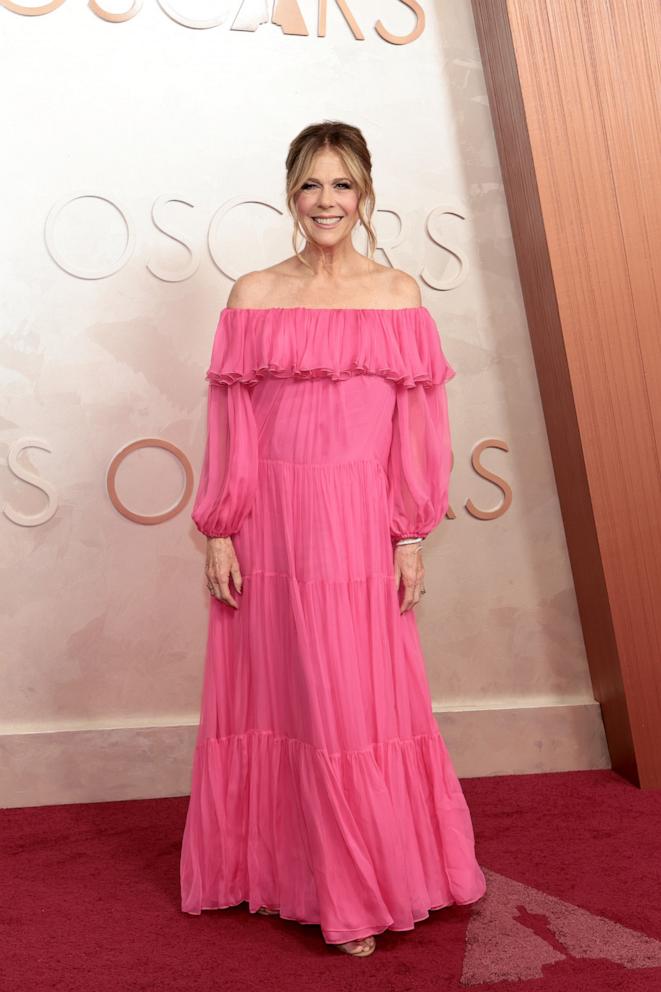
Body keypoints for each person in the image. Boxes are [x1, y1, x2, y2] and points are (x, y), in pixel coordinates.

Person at [180, 120, 486, 958]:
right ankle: (285, 874)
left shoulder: (397, 294)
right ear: (290, 192)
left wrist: (409, 534)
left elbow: (416, 431)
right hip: (271, 524)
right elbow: (231, 425)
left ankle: (359, 885)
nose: (326, 201)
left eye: (342, 184)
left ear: (365, 194)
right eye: (312, 185)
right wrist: (219, 527)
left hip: (355, 529)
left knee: (352, 708)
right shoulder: (252, 293)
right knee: (286, 700)